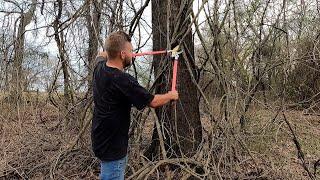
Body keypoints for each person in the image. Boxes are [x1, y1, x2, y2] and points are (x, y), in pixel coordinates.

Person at [91, 31, 179, 180]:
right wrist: (171, 96)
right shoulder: (123, 80)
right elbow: (153, 101)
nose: (133, 54)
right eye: (131, 51)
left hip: (101, 140)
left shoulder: (99, 68)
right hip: (113, 147)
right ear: (122, 54)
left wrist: (109, 52)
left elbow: (100, 55)